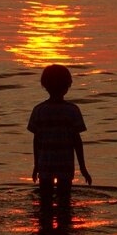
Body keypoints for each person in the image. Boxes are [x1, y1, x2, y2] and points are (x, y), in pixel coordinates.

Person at [28, 64, 92, 204]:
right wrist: (83, 167)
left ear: (44, 85)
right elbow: (77, 141)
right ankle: (65, 223)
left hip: (45, 163)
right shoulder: (72, 110)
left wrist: (36, 165)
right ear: (68, 85)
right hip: (65, 163)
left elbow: (36, 141)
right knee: (65, 201)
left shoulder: (39, 110)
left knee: (45, 203)